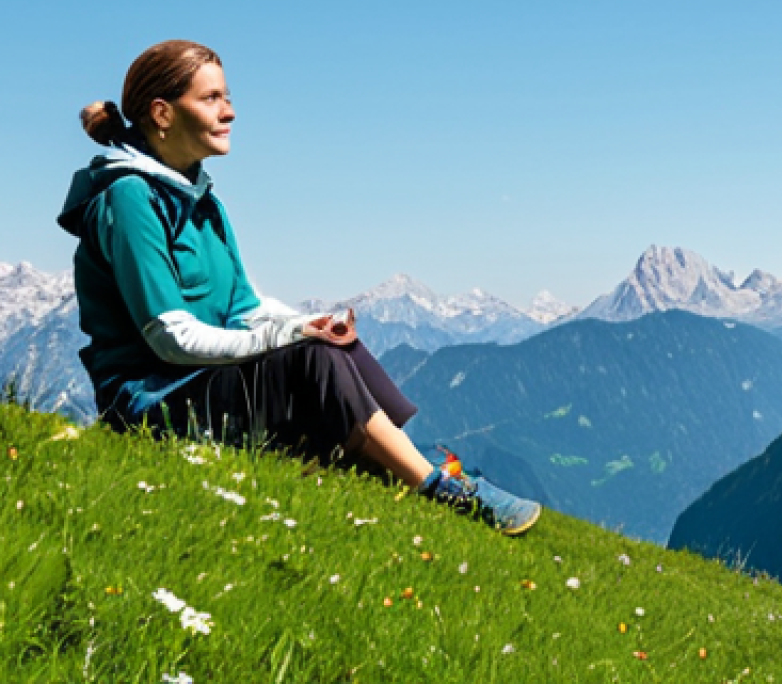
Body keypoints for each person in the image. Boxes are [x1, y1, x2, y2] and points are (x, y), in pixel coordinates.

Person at [58, 39, 540, 536]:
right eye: (212, 99)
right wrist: (288, 339)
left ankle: (402, 465)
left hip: (199, 386)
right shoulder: (130, 197)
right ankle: (437, 489)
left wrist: (306, 324)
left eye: (227, 97)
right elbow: (170, 337)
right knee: (312, 356)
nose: (231, 111)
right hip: (151, 404)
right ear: (162, 113)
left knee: (335, 343)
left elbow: (243, 306)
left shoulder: (202, 201)